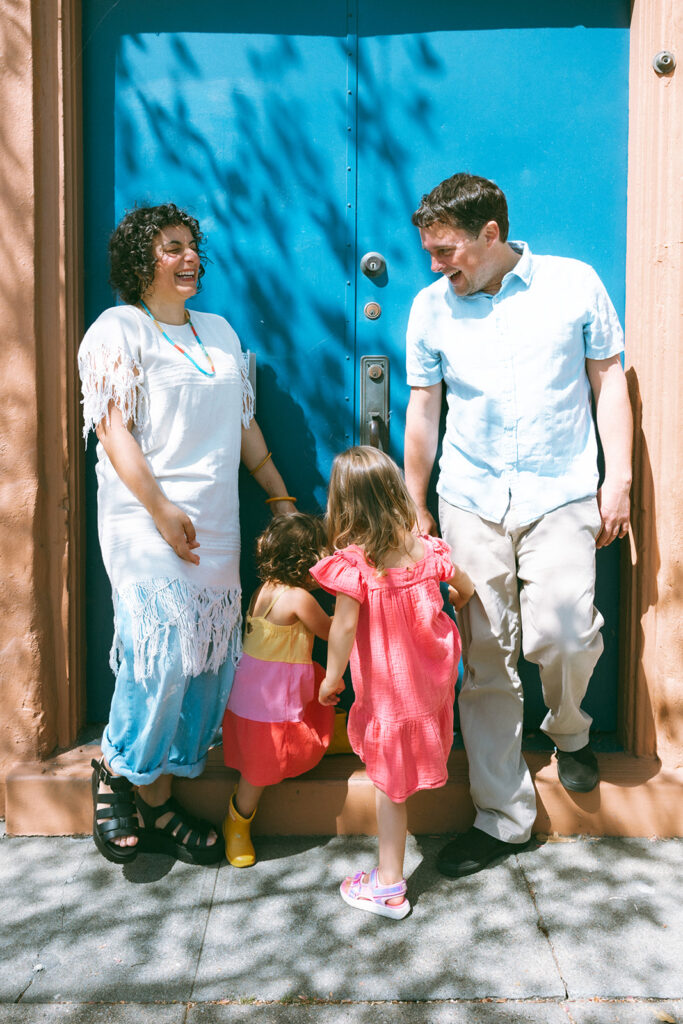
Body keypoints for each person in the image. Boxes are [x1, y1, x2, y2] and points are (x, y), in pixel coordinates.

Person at [403, 173, 633, 879]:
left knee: (563, 633)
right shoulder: (429, 308)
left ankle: (568, 730)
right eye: (430, 252)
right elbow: (423, 411)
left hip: (561, 492)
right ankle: (502, 817)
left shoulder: (573, 285)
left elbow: (607, 382)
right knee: (484, 659)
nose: (436, 265)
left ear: (490, 236)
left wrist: (616, 479)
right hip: (469, 498)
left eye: (446, 251)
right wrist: (415, 505)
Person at [79, 203, 297, 866]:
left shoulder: (220, 333)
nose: (188, 258)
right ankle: (118, 772)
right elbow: (113, 432)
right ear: (141, 262)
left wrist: (278, 495)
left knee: (203, 671)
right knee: (158, 655)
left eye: (191, 247)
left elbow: (242, 427)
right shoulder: (119, 329)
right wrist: (160, 508)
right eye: (172, 248)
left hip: (215, 526)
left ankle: (157, 797)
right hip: (144, 521)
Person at [311, 447, 474, 919]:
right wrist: (460, 597)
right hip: (428, 685)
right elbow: (464, 582)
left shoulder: (358, 564)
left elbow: (342, 629)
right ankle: (387, 880)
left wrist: (331, 679)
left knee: (391, 791)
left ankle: (388, 886)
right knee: (399, 781)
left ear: (345, 505)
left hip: (390, 698)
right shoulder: (423, 548)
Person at [221, 512, 334, 867]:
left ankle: (334, 733)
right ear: (307, 563)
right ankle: (236, 823)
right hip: (269, 705)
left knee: (319, 687)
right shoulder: (299, 599)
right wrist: (353, 601)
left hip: (256, 695)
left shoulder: (263, 590)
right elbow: (332, 631)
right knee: (257, 772)